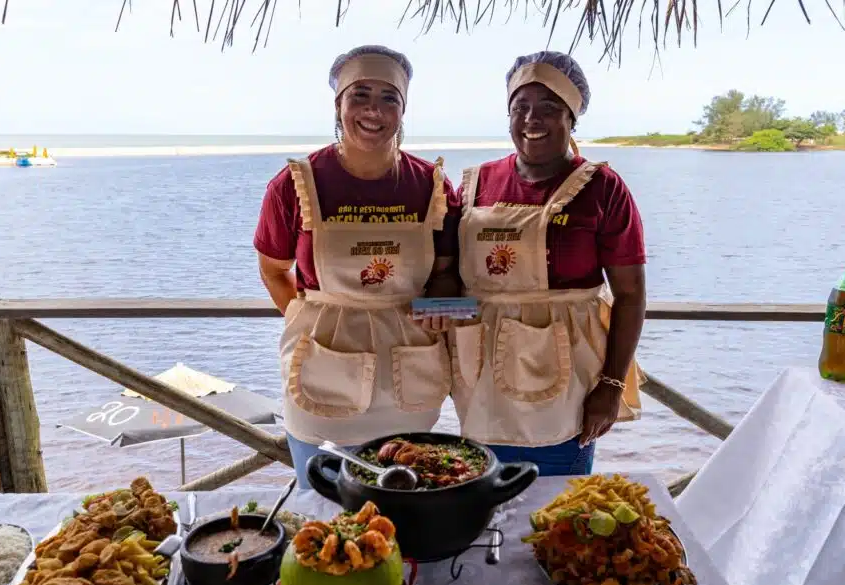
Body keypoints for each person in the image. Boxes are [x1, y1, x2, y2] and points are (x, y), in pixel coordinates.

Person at [254, 45, 460, 487]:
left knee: (407, 503)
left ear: (404, 109)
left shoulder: (432, 185)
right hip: (322, 375)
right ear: (338, 104)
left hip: (409, 381)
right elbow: (273, 269)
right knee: (322, 506)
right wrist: (310, 321)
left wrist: (443, 301)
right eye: (360, 95)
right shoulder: (295, 184)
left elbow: (448, 271)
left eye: (389, 98)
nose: (374, 110)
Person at [449, 51, 646, 475]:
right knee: (481, 495)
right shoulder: (474, 184)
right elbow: (448, 278)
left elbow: (630, 295)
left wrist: (611, 385)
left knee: (559, 501)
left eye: (549, 107)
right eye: (520, 107)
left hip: (569, 380)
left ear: (572, 117)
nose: (531, 119)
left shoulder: (603, 188)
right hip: (481, 377)